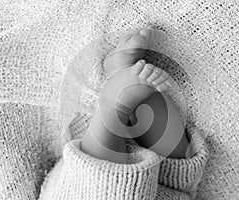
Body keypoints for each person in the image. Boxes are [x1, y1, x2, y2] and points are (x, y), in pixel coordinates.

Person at [39, 25, 209, 199]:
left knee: (102, 185)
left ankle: (113, 106)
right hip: (171, 193)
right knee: (175, 157)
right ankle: (129, 76)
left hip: (87, 188)